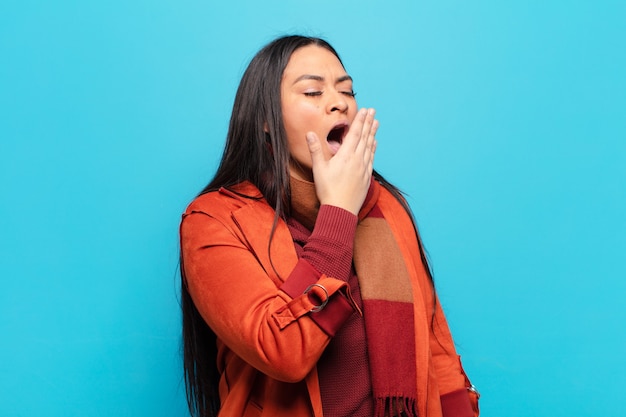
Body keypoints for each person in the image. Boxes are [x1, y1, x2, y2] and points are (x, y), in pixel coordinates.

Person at [179, 35, 479, 417]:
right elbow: (283, 351)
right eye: (312, 92)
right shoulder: (213, 221)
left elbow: (437, 354)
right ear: (266, 121)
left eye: (346, 90)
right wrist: (338, 211)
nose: (339, 102)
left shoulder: (385, 207)